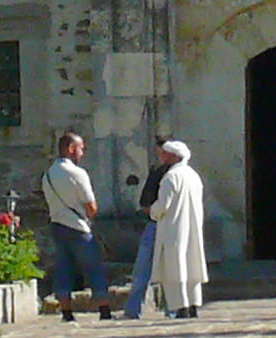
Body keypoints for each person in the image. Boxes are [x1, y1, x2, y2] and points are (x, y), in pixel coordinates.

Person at [39, 131, 115, 322]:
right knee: (94, 267)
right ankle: (104, 309)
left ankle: (66, 312)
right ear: (71, 149)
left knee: (63, 268)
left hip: (57, 225)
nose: (82, 153)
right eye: (81, 148)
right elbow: (91, 206)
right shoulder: (78, 173)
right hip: (78, 227)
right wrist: (90, 216)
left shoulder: (48, 175)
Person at [147, 137, 208, 319]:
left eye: (166, 154)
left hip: (173, 229)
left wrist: (152, 211)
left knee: (175, 268)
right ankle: (194, 304)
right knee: (191, 265)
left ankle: (181, 306)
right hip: (192, 228)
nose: (163, 158)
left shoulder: (171, 177)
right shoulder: (194, 176)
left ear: (174, 156)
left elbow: (163, 205)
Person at [117, 142, 169, 317]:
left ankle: (134, 309)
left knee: (145, 269)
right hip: (165, 224)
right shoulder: (166, 174)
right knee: (149, 269)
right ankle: (172, 310)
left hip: (159, 224)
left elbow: (146, 204)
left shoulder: (168, 174)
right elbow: (145, 203)